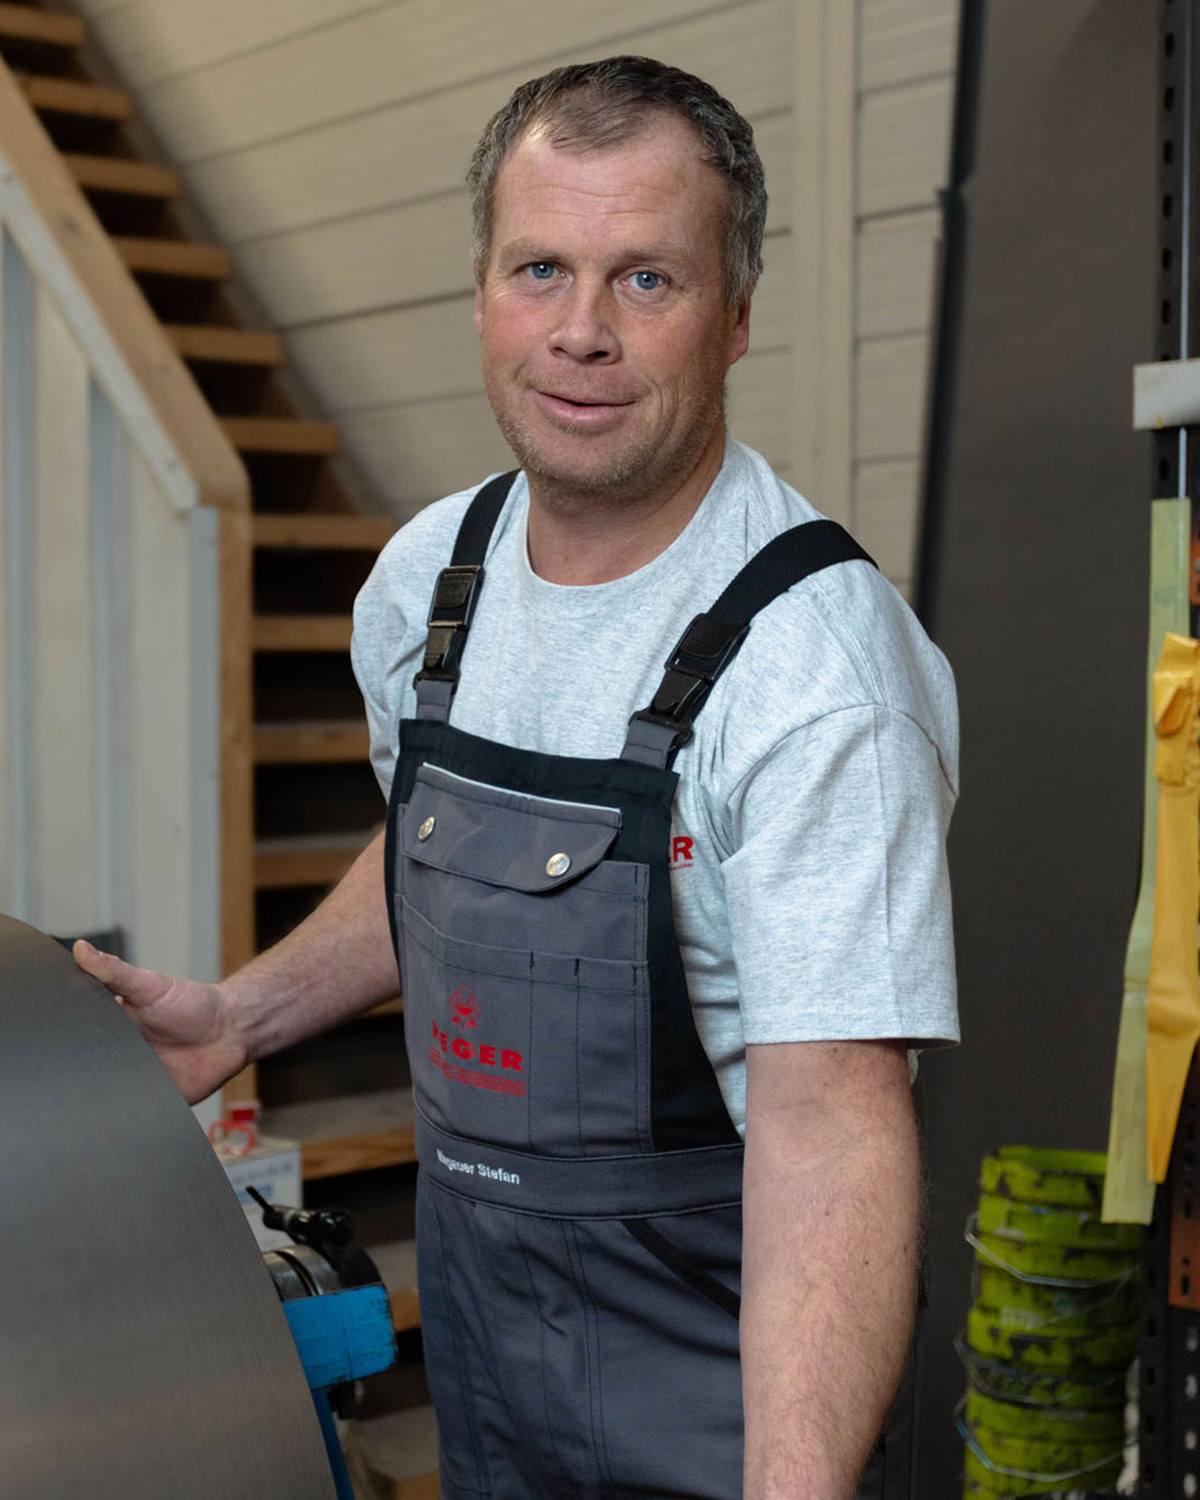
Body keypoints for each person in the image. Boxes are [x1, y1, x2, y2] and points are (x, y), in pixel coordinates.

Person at [75, 56, 959, 1500]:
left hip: (729, 1379)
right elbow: (439, 857)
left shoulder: (818, 677)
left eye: (648, 281)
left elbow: (837, 1129)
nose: (582, 335)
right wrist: (245, 1012)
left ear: (734, 319)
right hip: (491, 1349)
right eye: (540, 268)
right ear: (482, 293)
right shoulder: (430, 583)